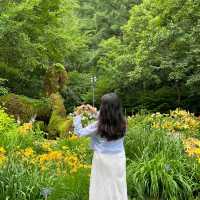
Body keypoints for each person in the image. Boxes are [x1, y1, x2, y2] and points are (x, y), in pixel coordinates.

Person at [73, 93, 128, 200]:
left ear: (103, 109)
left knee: (100, 187)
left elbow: (79, 133)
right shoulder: (123, 122)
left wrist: (78, 115)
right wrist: (94, 112)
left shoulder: (98, 126)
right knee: (117, 185)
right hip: (118, 158)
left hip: (102, 159)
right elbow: (110, 119)